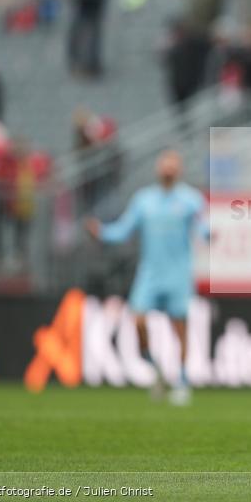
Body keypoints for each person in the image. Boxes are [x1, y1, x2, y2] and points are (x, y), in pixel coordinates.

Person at [85, 150, 207, 406]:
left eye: (172, 165)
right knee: (137, 320)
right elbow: (124, 230)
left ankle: (182, 381)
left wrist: (210, 234)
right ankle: (155, 367)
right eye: (164, 164)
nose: (168, 169)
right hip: (150, 274)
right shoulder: (144, 199)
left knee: (179, 329)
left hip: (178, 274)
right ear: (158, 169)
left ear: (179, 169)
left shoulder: (191, 200)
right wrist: (103, 232)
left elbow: (203, 227)